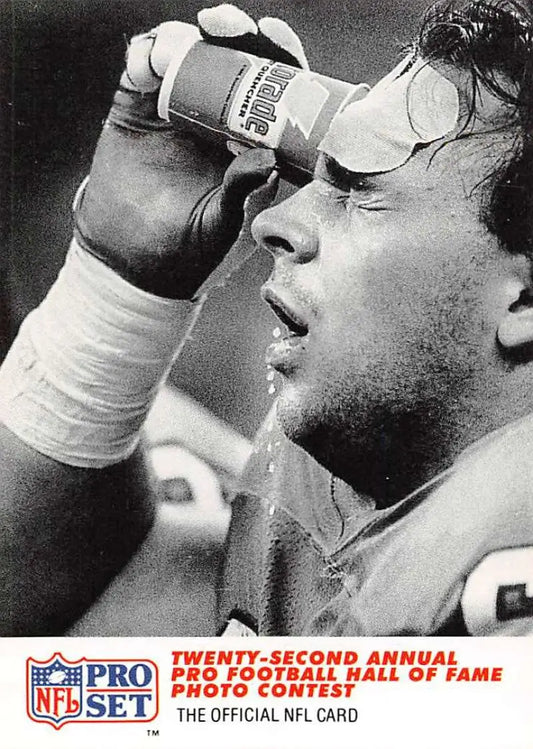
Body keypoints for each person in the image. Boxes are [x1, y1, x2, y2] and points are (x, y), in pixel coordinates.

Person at [1, 0, 532, 637]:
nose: (270, 222)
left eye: (358, 194)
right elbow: (45, 638)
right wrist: (119, 291)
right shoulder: (323, 478)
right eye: (316, 176)